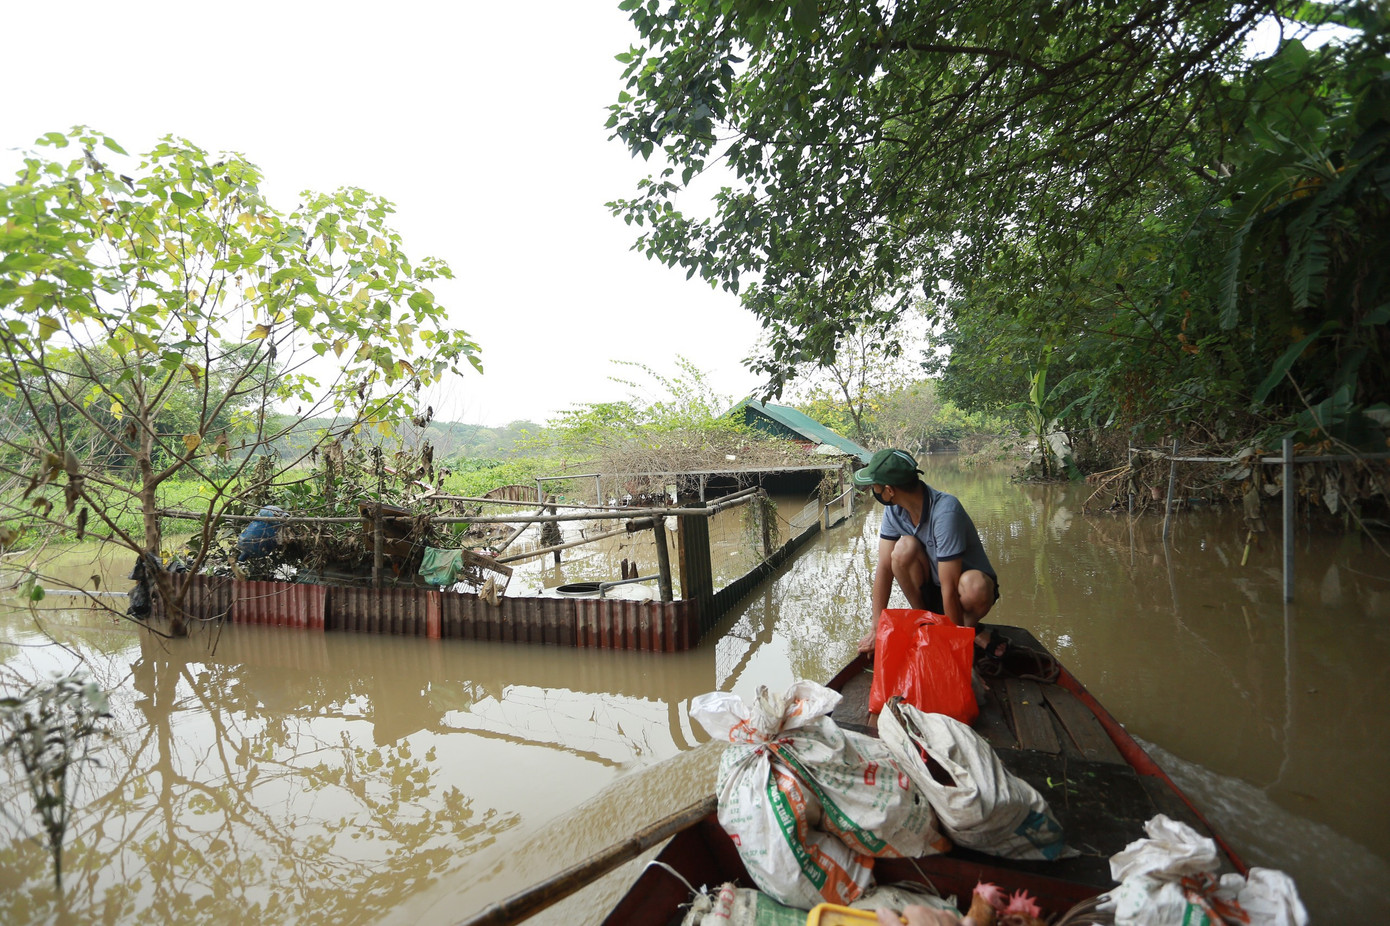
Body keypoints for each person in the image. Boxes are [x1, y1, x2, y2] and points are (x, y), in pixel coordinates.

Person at [852, 449, 999, 656]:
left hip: (962, 592)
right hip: (934, 588)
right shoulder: (894, 510)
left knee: (975, 586)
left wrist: (954, 653)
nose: (873, 490)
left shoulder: (946, 512)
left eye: (874, 486)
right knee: (903, 549)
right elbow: (885, 567)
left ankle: (961, 632)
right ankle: (927, 621)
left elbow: (949, 586)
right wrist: (876, 627)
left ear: (889, 490)